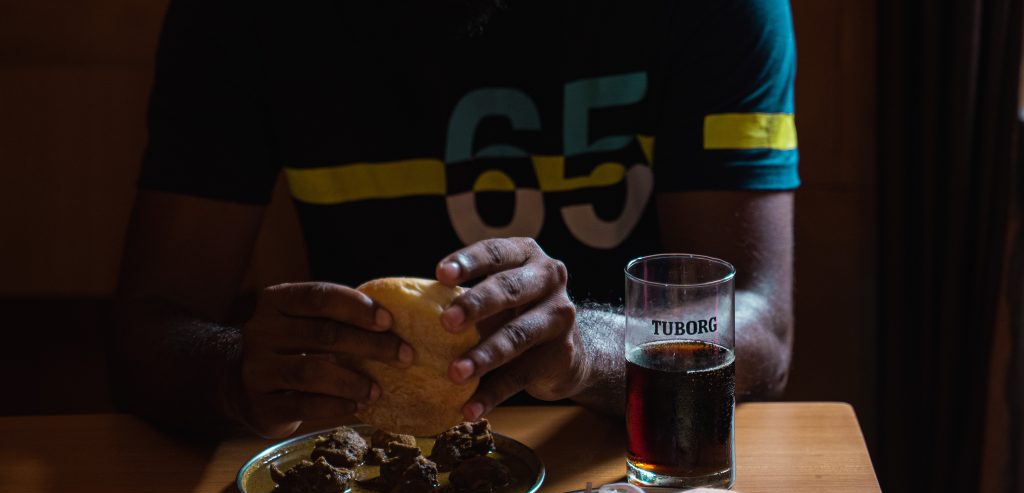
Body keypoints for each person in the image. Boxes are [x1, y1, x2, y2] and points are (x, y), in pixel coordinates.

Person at [111, 0, 798, 437]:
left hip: (611, 489)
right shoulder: (239, 17)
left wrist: (585, 349)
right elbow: (145, 328)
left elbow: (760, 326)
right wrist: (234, 371)